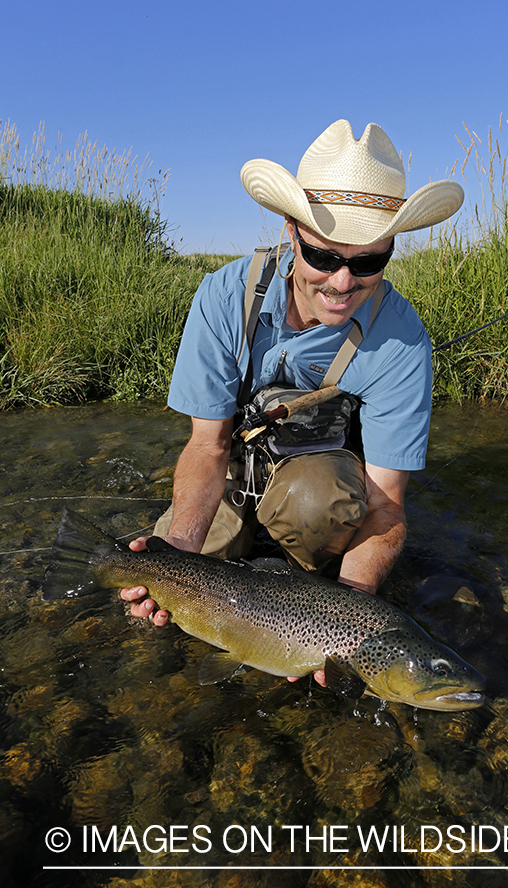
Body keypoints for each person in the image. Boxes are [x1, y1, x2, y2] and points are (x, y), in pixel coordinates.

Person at [120, 119, 464, 684]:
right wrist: (176, 548)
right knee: (171, 585)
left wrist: (346, 611)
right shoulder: (224, 298)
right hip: (229, 475)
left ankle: (302, 573)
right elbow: (207, 448)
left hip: (318, 496)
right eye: (325, 257)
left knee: (316, 501)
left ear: (390, 251)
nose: (343, 282)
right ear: (290, 232)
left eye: (368, 262)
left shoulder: (402, 340)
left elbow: (385, 505)